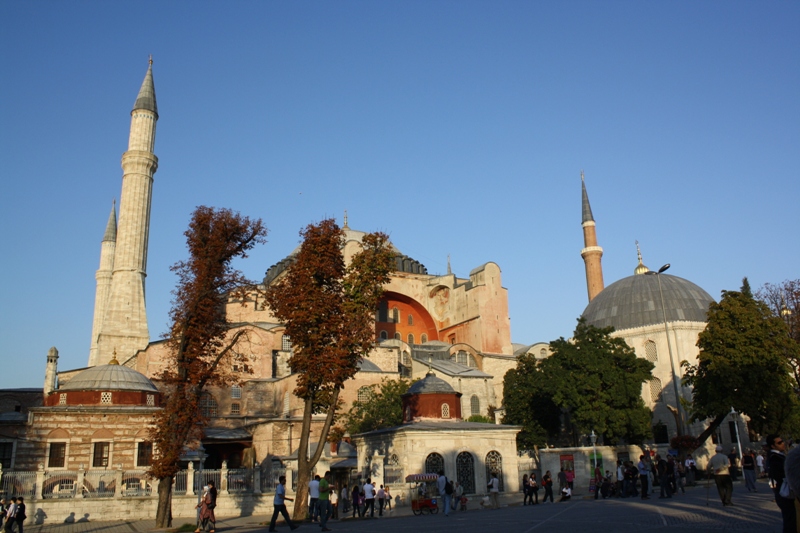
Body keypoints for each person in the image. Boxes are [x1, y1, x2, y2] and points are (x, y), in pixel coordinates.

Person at [767, 434, 796, 533]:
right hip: (784, 492)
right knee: (790, 520)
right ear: (772, 446)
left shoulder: (779, 456)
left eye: (782, 441)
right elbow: (780, 475)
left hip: (785, 491)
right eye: (779, 443)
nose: (782, 444)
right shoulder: (775, 458)